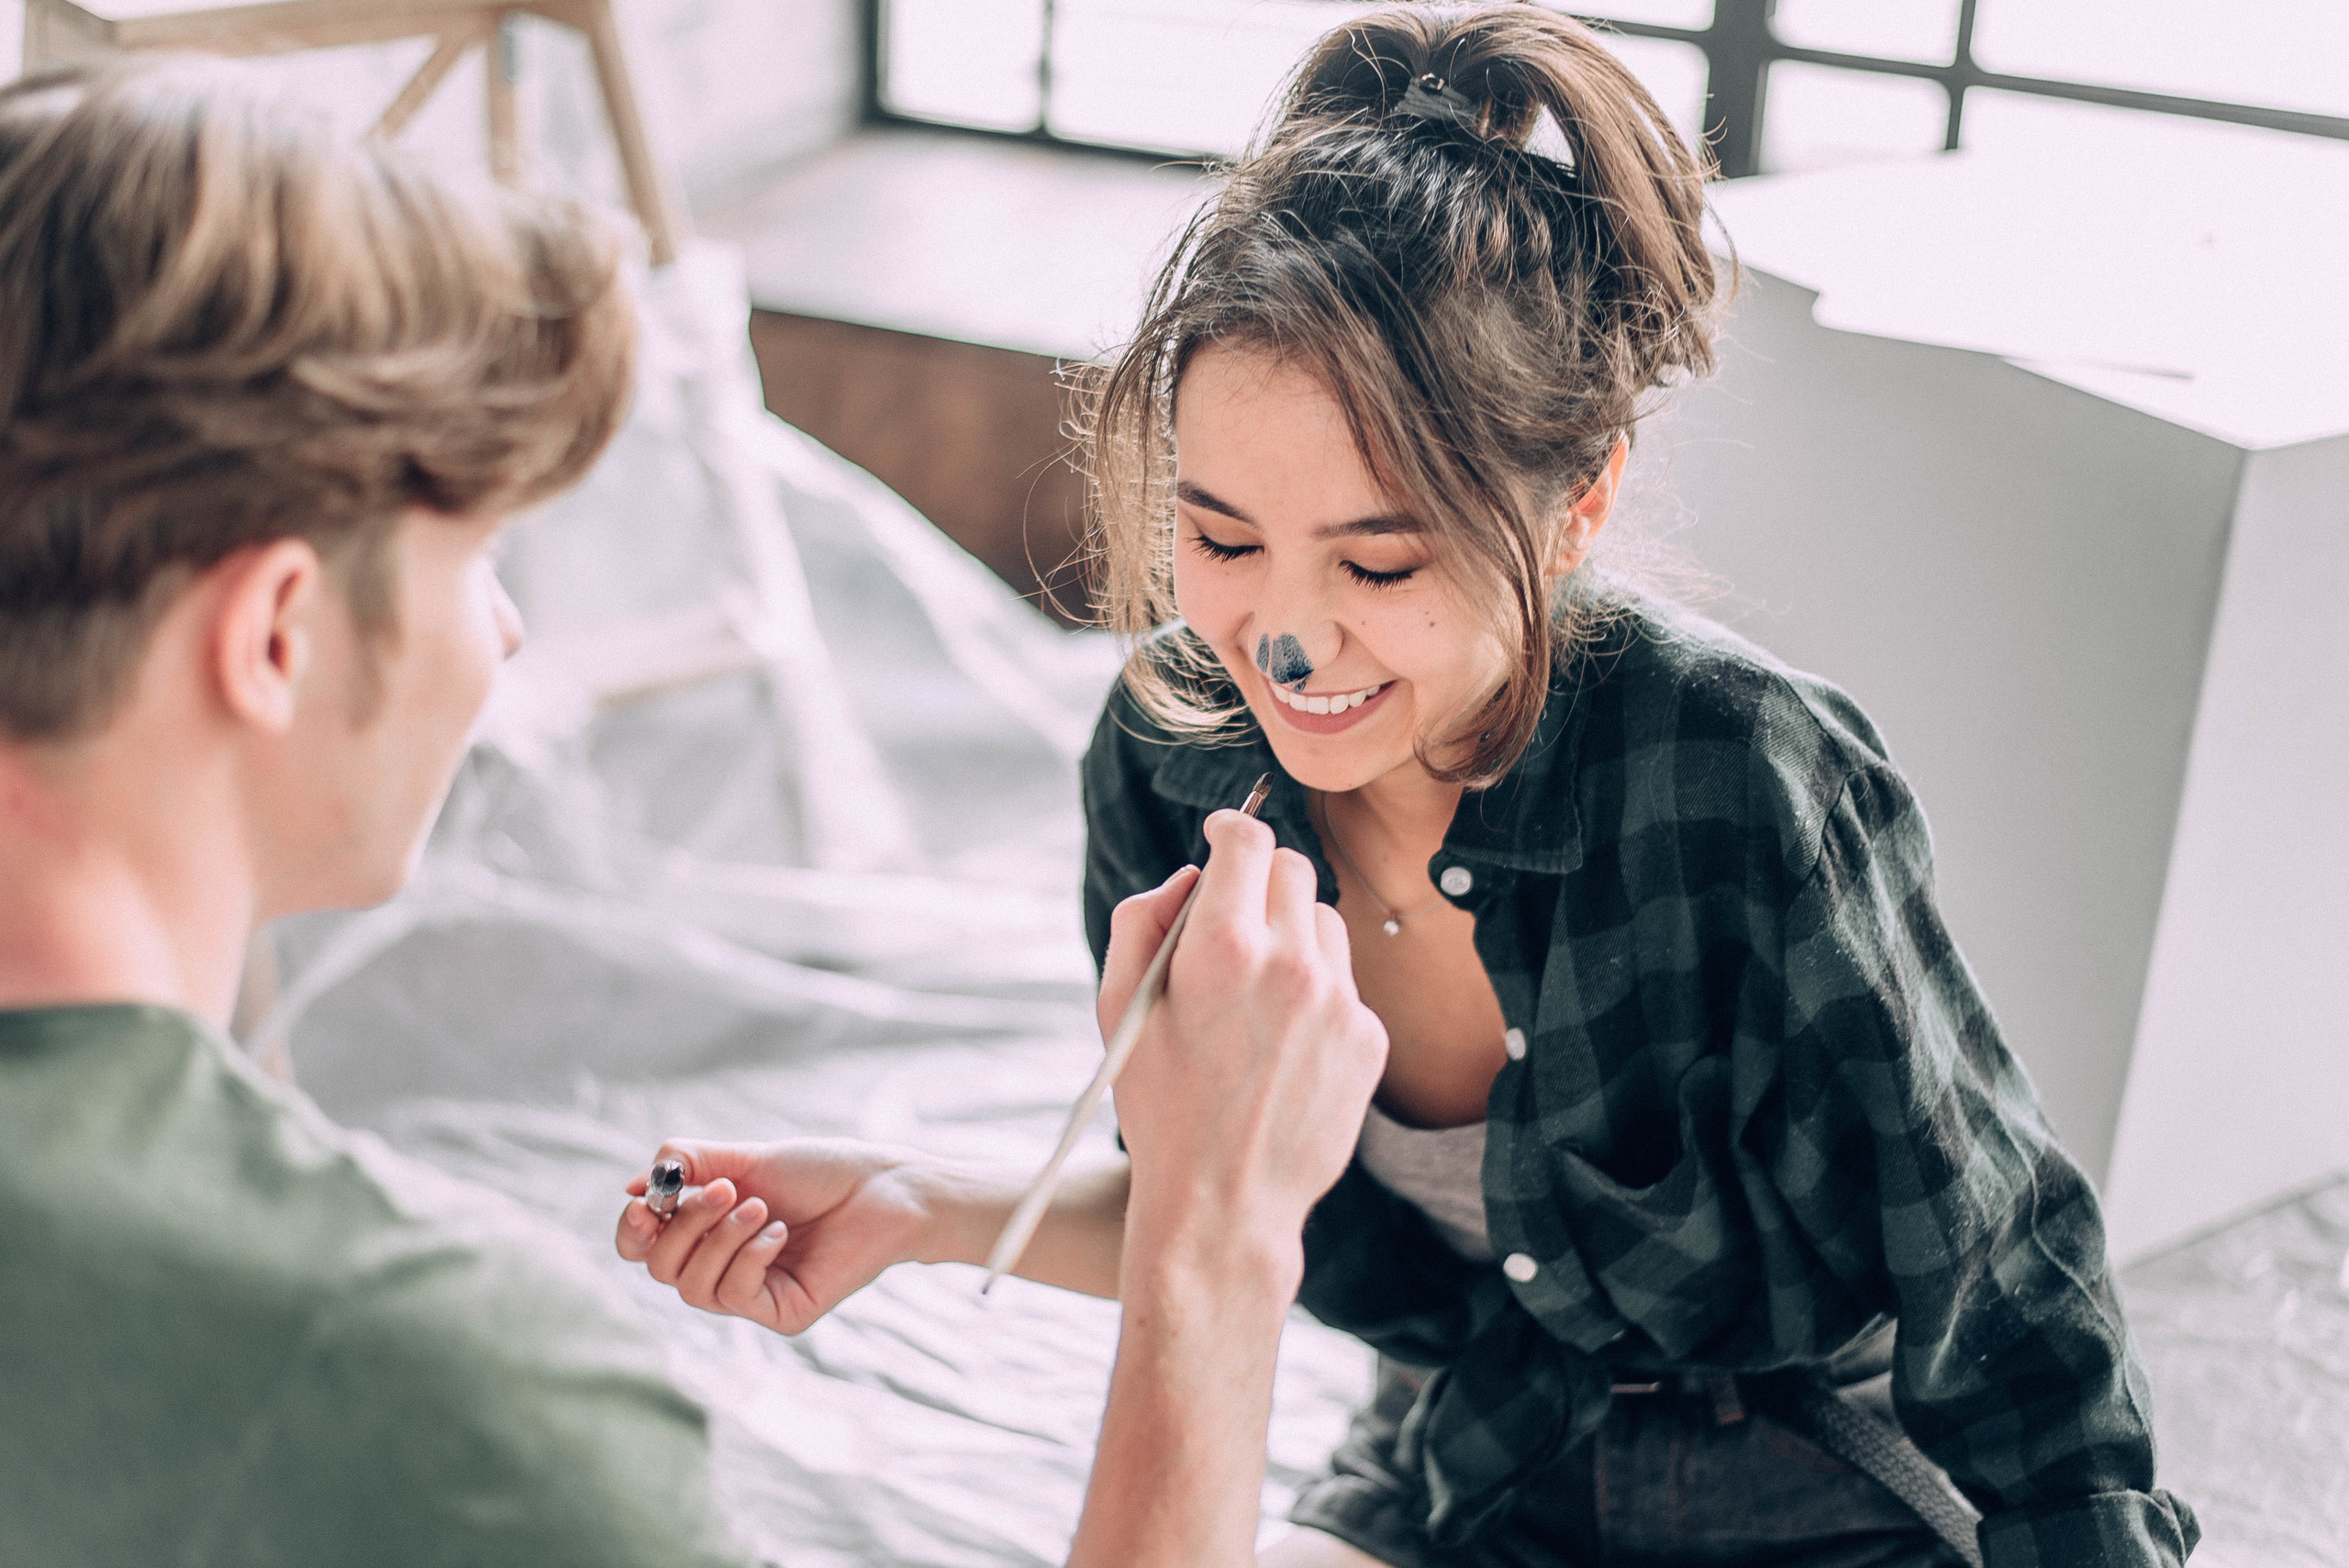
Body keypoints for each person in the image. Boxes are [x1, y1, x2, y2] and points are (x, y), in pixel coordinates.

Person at [622, 6, 2200, 1568]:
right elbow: (1229, 1208)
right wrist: (910, 1198)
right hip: (1483, 1454)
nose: (1286, 639)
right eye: (1223, 538)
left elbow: (2003, 1278)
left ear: (1577, 507)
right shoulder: (1171, 761)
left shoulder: (1741, 774)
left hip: (1817, 1475)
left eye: (1379, 559)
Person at [0, 58, 1385, 1567]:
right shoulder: (427, 1391)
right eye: (480, 557)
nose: (509, 636)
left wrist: (923, 1195)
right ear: (274, 636)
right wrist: (1218, 1241)